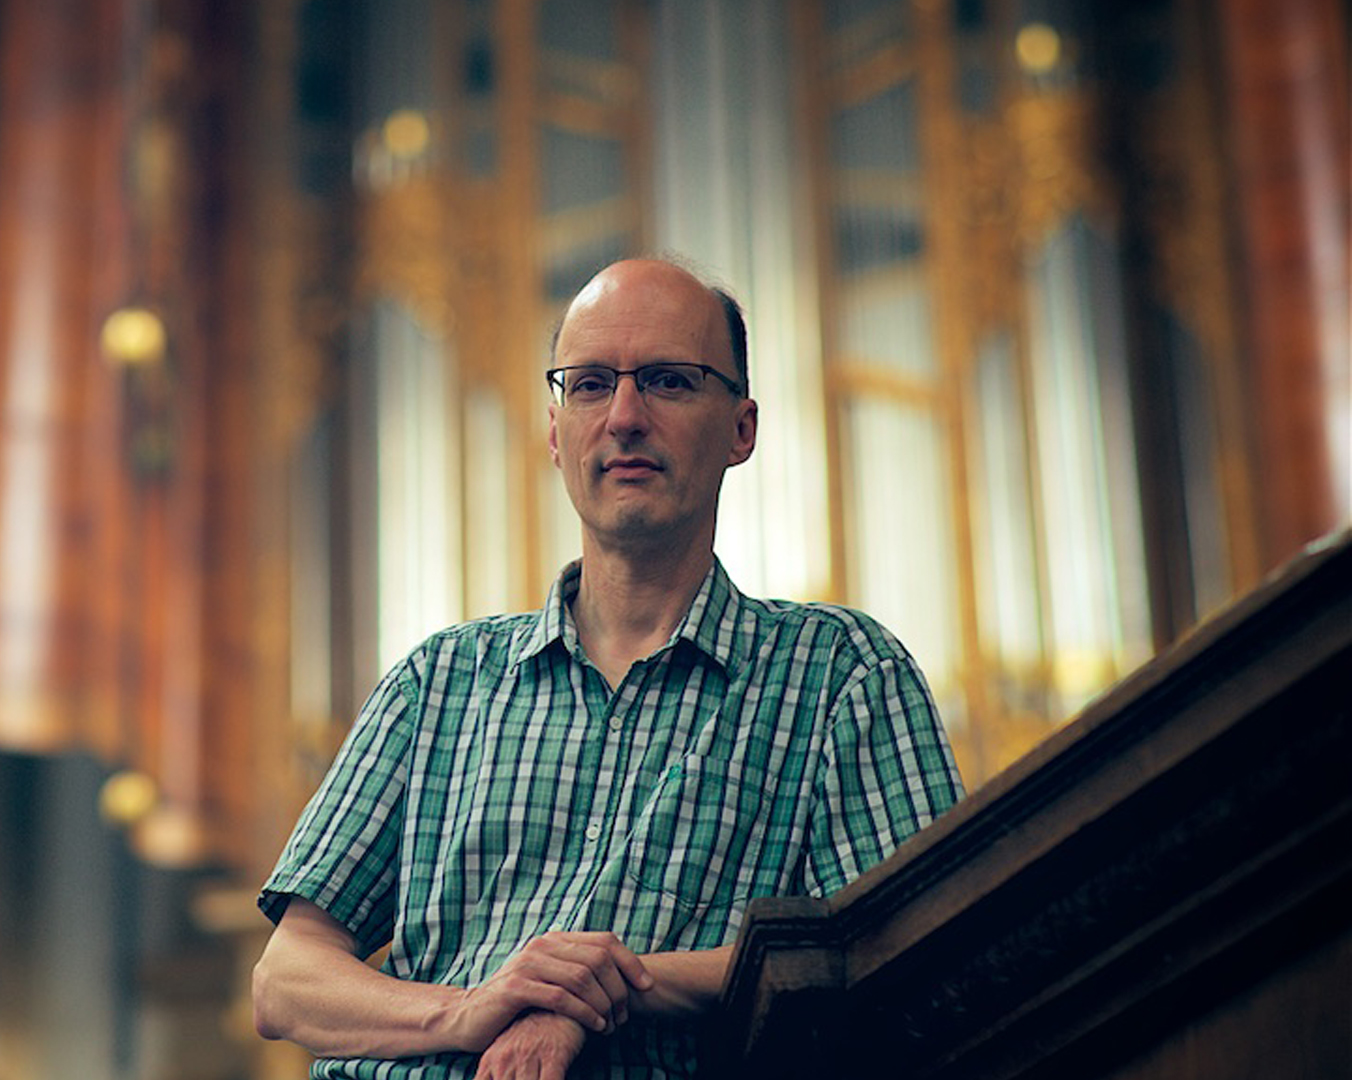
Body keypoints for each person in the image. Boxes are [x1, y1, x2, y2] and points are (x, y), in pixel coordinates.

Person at [251, 257, 964, 1078]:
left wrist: (610, 986)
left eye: (667, 381)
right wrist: (467, 1008)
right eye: (589, 385)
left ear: (742, 428)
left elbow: (908, 947)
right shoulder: (438, 681)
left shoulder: (839, 675)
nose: (624, 416)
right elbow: (286, 982)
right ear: (555, 432)